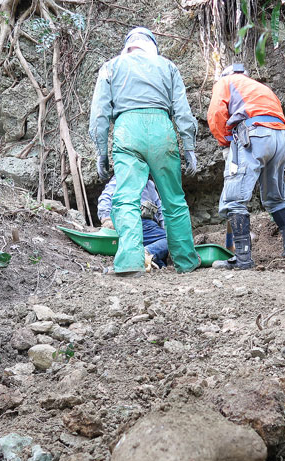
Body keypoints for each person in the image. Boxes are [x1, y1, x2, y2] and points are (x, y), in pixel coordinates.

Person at [89, 27, 200, 277]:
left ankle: (130, 262)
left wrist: (101, 153)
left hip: (127, 130)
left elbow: (99, 114)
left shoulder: (111, 67)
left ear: (127, 46)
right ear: (152, 46)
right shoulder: (168, 66)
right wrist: (189, 146)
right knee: (173, 199)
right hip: (162, 130)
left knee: (125, 198)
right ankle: (186, 261)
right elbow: (182, 111)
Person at [207, 63, 285, 270]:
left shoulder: (226, 81)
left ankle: (242, 259)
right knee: (275, 197)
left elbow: (216, 114)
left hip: (255, 134)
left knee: (234, 199)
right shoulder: (262, 88)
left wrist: (225, 142)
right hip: (281, 137)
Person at [98, 176, 169, 269]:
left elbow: (159, 208)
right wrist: (106, 218)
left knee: (162, 262)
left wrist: (165, 227)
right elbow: (106, 197)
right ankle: (144, 253)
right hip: (137, 222)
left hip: (147, 227)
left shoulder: (148, 183)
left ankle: (148, 260)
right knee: (172, 240)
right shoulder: (122, 176)